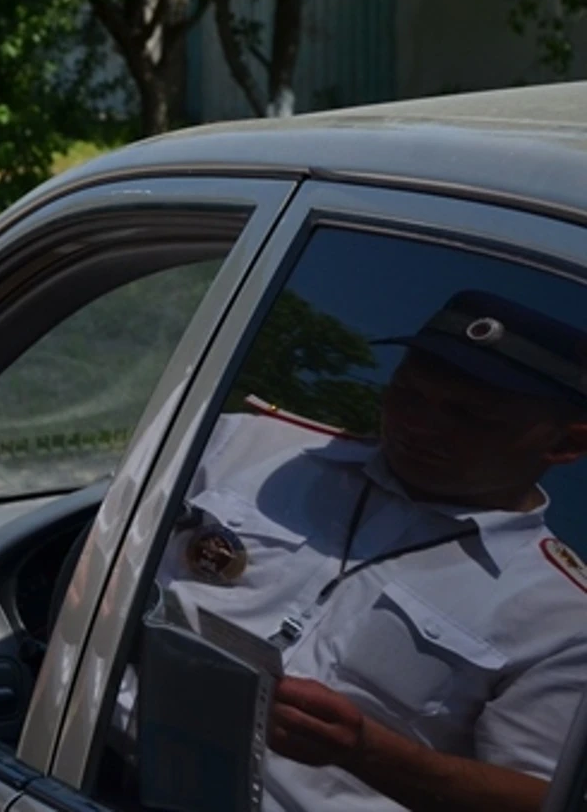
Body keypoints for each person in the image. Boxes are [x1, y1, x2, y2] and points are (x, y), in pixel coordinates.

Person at [147, 290, 587, 812]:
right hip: (86, 764)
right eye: (407, 393)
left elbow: (542, 799)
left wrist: (369, 752)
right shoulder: (247, 446)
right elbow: (96, 561)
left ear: (565, 446)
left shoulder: (565, 617)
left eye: (469, 416)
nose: (419, 424)